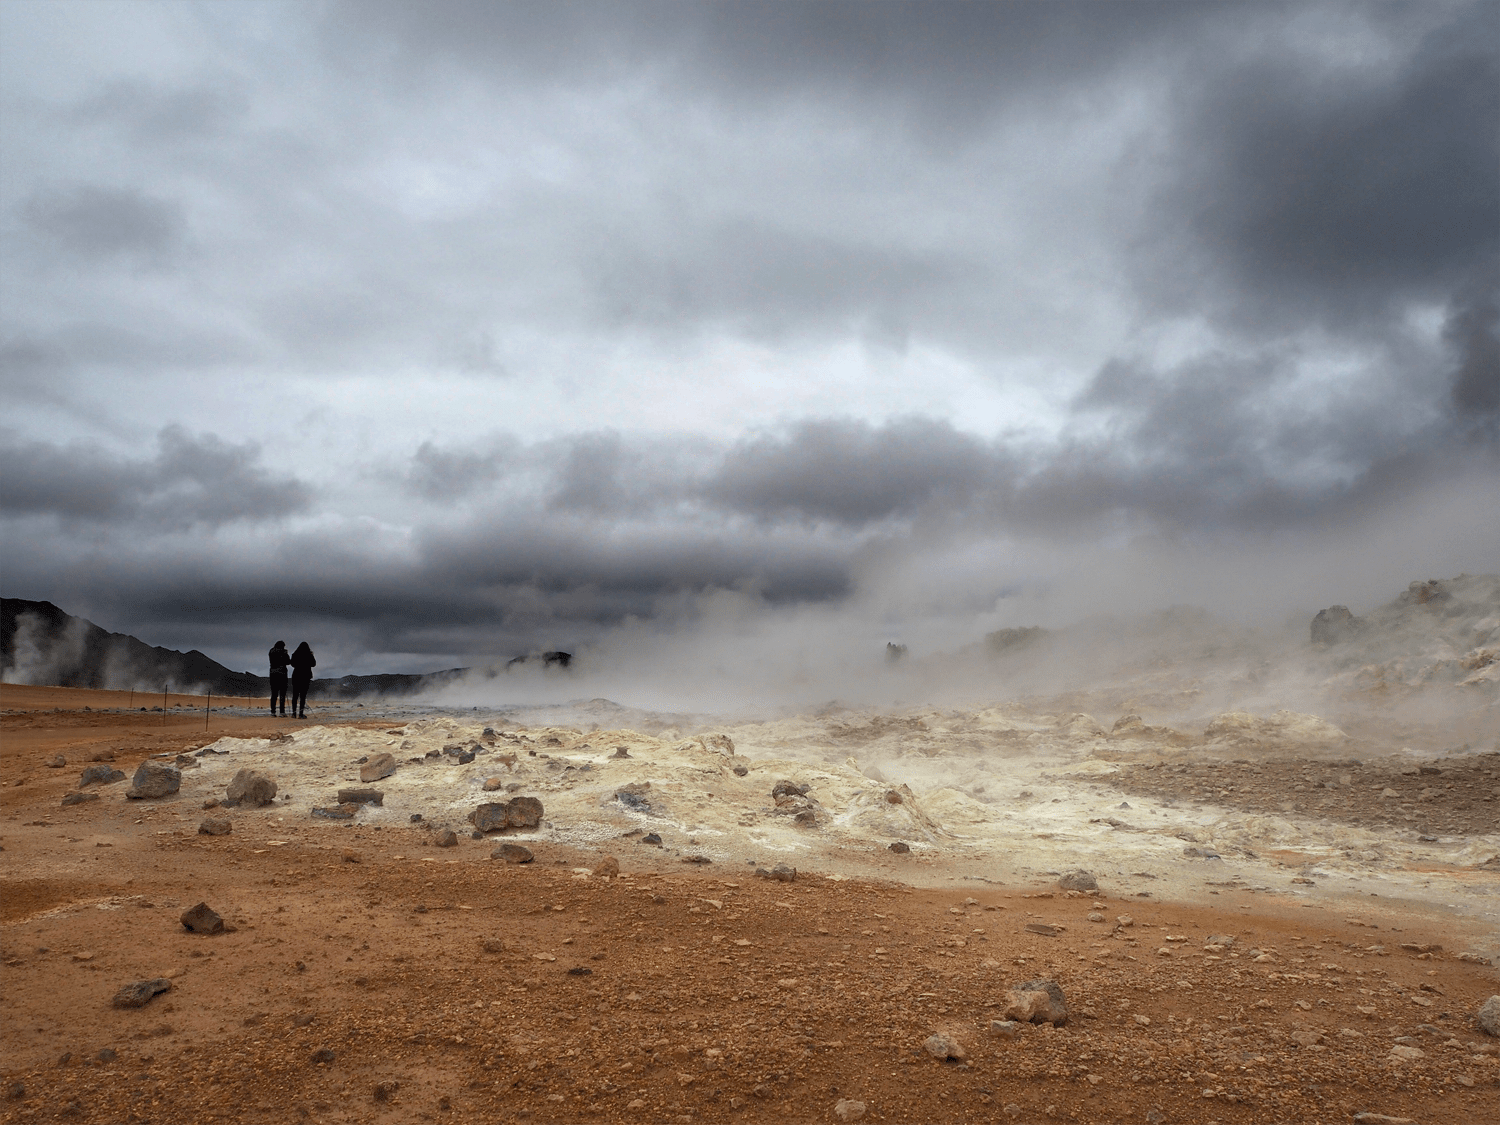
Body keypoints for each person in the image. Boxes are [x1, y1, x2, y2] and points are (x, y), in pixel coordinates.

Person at [289, 641, 316, 719]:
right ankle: (301, 714)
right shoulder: (309, 655)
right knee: (303, 696)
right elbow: (313, 664)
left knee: (295, 695)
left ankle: (294, 713)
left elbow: (292, 664)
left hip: (296, 676)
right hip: (305, 677)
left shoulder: (295, 654)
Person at [268, 640, 291, 717]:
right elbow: (288, 662)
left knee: (274, 694)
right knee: (282, 694)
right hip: (282, 674)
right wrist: (285, 654)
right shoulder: (283, 653)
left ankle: (273, 712)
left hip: (273, 674)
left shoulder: (271, 652)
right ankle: (282, 712)